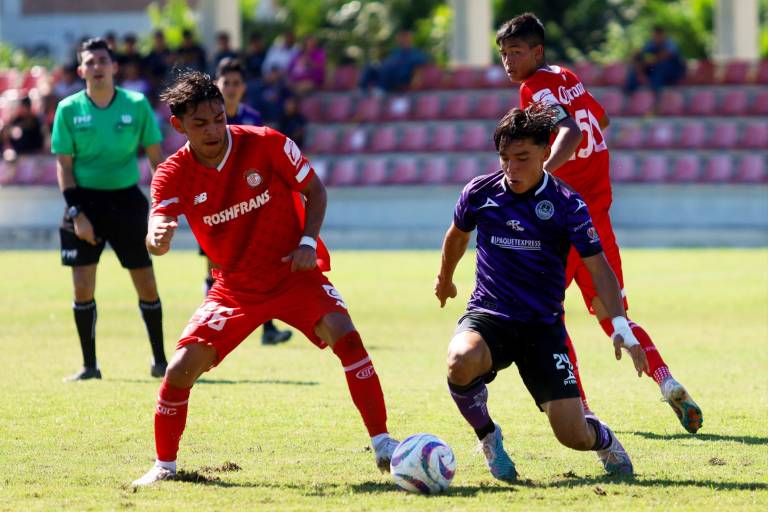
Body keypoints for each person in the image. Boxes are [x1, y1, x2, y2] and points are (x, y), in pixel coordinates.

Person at [130, 70, 399, 486]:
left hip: (293, 273)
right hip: (235, 289)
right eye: (201, 124)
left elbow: (316, 190)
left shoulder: (266, 143)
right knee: (180, 369)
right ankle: (164, 466)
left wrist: (309, 241)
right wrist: (157, 238)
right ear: (179, 125)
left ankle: (382, 442)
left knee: (346, 336)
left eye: (219, 118)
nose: (214, 129)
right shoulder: (171, 172)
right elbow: (156, 230)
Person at [497, 13, 702, 433]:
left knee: (549, 317)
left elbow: (570, 133)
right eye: (503, 54)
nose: (508, 61)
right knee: (615, 314)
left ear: (537, 51)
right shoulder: (565, 76)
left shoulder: (533, 87)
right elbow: (600, 121)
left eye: (516, 52)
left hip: (561, 220)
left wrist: (541, 180)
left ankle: (582, 407)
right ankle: (667, 381)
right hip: (597, 215)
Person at [436, 105, 648, 481]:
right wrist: (445, 278)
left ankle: (604, 441)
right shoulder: (480, 192)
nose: (512, 168)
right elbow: (457, 235)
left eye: (522, 158)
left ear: (545, 153)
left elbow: (598, 266)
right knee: (459, 361)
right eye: (505, 159)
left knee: (573, 436)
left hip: (542, 328)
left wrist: (620, 324)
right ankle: (488, 436)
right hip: (490, 316)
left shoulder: (568, 205)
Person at [51, 37, 168, 381]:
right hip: (83, 202)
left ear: (115, 67)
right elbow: (64, 166)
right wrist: (76, 214)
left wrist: (161, 208)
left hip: (126, 201)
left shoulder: (137, 104)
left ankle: (160, 362)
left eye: (103, 61)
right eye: (90, 62)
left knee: (146, 284)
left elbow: (157, 162)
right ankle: (90, 367)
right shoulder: (68, 109)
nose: (97, 67)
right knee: (82, 287)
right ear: (80, 70)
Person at [211, 57, 292, 345]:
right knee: (216, 266)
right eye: (226, 83)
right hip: (216, 207)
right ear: (216, 85)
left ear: (243, 87)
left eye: (236, 83)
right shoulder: (210, 120)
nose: (231, 88)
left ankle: (267, 329)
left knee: (256, 264)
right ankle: (211, 326)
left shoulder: (253, 118)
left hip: (248, 205)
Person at [358, 30, 428, 94]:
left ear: (410, 39)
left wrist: (415, 80)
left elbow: (419, 69)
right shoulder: (396, 52)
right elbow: (387, 62)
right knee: (370, 67)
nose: (403, 40)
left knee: (388, 68)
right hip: (388, 74)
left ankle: (381, 89)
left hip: (403, 77)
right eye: (401, 38)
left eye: (405, 37)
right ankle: (362, 90)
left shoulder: (416, 53)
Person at [625, 26, 686, 97]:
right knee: (634, 71)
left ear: (663, 34)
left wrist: (651, 60)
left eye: (657, 36)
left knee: (661, 67)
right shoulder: (651, 44)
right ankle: (629, 94)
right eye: (654, 36)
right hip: (655, 70)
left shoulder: (670, 43)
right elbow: (639, 56)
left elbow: (666, 55)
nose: (655, 38)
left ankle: (655, 95)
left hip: (674, 71)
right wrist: (640, 70)